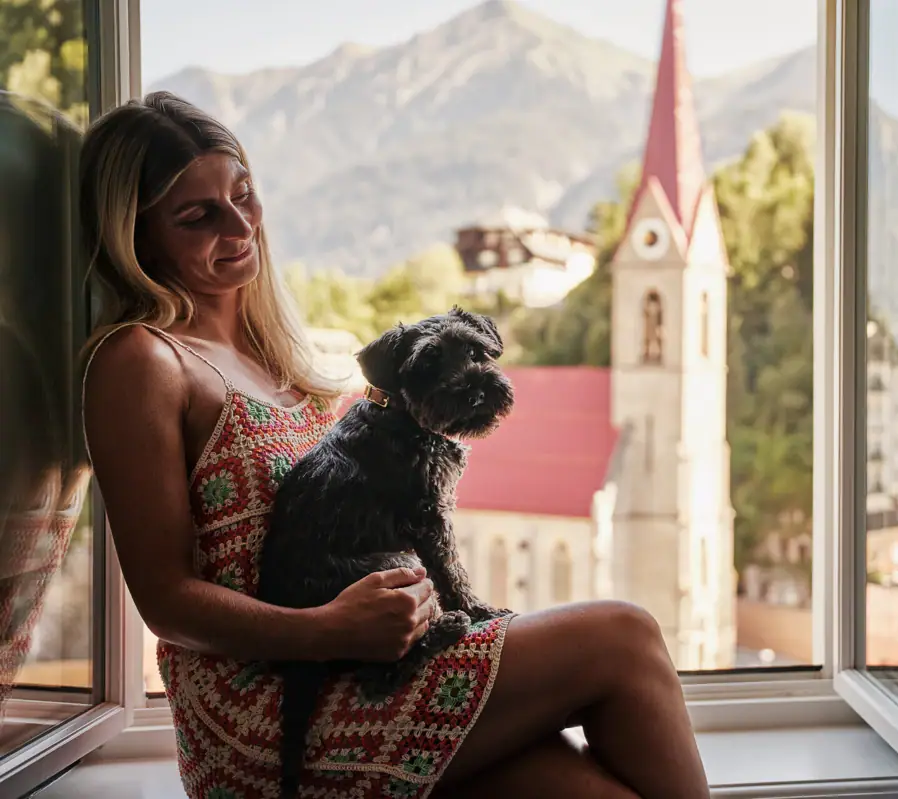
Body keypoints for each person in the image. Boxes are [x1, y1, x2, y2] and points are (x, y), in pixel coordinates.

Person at [79, 92, 709, 799]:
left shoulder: (276, 351)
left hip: (373, 660)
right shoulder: (141, 361)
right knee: (623, 635)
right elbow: (166, 600)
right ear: (138, 236)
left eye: (245, 195)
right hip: (266, 710)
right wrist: (327, 630)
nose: (240, 224)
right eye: (197, 216)